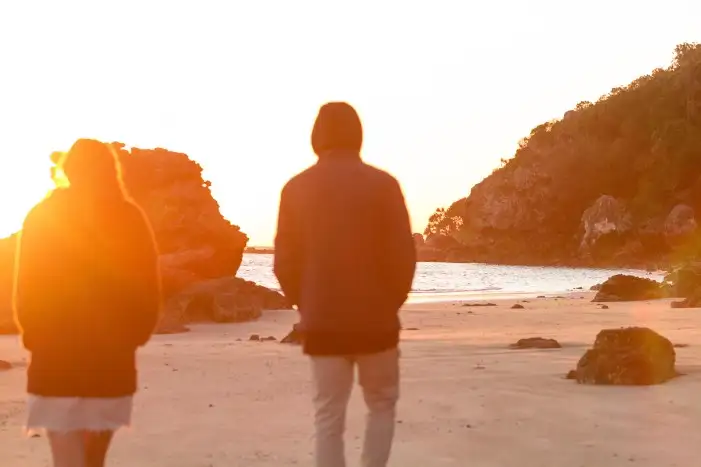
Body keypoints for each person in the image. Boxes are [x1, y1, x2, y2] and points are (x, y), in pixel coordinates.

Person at [274, 102, 416, 467]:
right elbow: (403, 259)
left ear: (316, 137)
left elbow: (284, 263)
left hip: (322, 325)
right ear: (358, 135)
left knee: (327, 418)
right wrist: (388, 304)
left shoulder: (295, 188)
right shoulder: (384, 185)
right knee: (381, 405)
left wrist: (307, 304)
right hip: (377, 324)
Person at [13, 138, 162, 467]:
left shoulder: (43, 215)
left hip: (55, 355)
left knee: (67, 458)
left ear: (68, 170)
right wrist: (134, 336)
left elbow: (26, 286)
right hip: (111, 357)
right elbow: (148, 288)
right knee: (93, 459)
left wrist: (34, 336)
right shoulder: (129, 217)